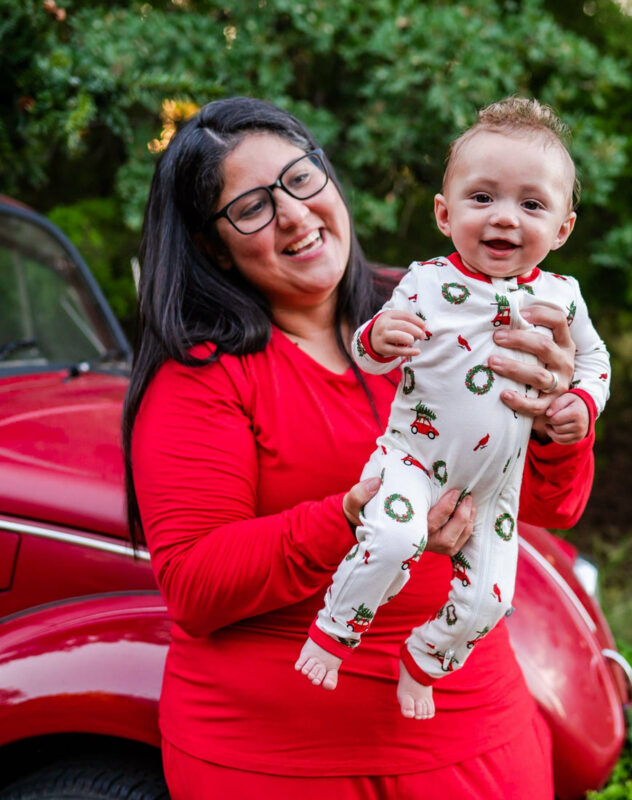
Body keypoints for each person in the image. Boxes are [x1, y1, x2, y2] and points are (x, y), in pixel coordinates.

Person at [123, 95, 598, 800]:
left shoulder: (436, 303)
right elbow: (196, 584)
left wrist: (560, 421)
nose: (293, 213)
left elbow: (552, 509)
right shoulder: (202, 377)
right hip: (282, 762)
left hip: (472, 739)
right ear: (211, 244)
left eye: (301, 178)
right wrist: (350, 518)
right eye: (251, 206)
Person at [296, 97, 610, 720]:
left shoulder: (562, 299)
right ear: (444, 213)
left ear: (563, 229)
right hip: (415, 459)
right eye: (482, 198)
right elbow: (371, 352)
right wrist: (376, 340)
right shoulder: (427, 282)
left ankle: (425, 661)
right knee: (392, 538)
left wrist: (579, 402)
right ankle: (334, 632)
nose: (505, 219)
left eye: (531, 205)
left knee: (491, 600)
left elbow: (595, 365)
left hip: (498, 485)